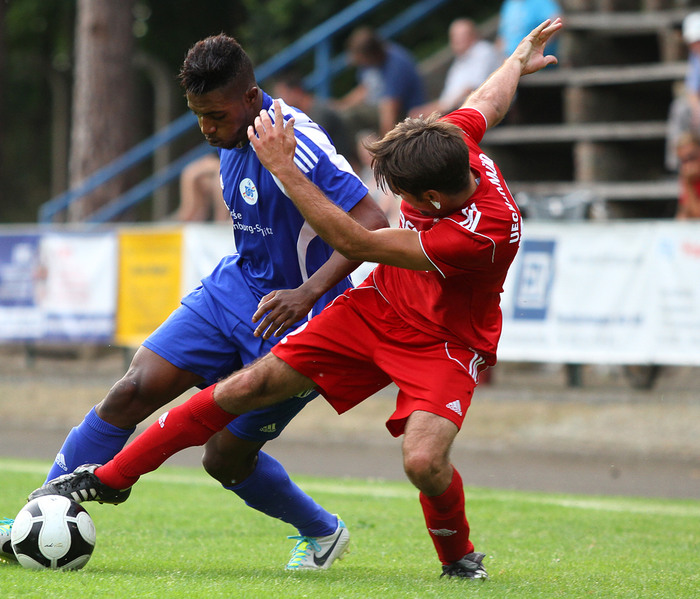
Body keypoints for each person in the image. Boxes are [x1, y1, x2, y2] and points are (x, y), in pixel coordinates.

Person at [29, 19, 564, 580]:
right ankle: (109, 480)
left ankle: (456, 558)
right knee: (240, 386)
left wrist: (284, 169)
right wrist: (516, 61)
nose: (393, 198)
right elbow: (485, 102)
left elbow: (358, 238)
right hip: (375, 308)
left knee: (424, 462)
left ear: (429, 198)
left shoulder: (481, 236)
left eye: (401, 195)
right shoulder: (451, 147)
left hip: (445, 341)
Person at [0, 34, 388, 571]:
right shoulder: (231, 139)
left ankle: (322, 531)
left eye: (214, 114)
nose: (206, 128)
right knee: (130, 391)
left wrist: (307, 292)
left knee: (224, 459)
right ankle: (34, 516)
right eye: (197, 115)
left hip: (306, 317)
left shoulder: (297, 141)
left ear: (251, 97)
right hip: (234, 290)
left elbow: (373, 224)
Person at [334, 27, 427, 137]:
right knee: (338, 115)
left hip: (407, 116)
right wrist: (339, 106)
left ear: (370, 55)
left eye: (360, 58)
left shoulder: (396, 65)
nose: (357, 62)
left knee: (347, 117)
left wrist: (383, 147)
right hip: (379, 109)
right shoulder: (370, 64)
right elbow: (364, 89)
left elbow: (390, 110)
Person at [414, 18, 502, 117]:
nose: (457, 41)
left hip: (480, 111)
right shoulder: (460, 60)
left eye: (462, 36)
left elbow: (472, 88)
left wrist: (438, 109)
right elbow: (447, 98)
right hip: (460, 110)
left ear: (473, 35)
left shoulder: (483, 51)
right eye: (454, 37)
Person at [272, 71, 355, 167]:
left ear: (296, 92)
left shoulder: (320, 113)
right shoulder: (306, 114)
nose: (279, 102)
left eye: (282, 94)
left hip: (345, 168)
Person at [665, 12, 700, 172]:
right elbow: (692, 89)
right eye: (692, 43)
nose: (695, 46)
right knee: (679, 109)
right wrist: (697, 109)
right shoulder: (695, 57)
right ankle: (678, 164)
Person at [175, 152, 230, 222]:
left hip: (231, 165)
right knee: (190, 173)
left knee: (220, 176)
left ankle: (222, 220)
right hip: (221, 160)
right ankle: (190, 212)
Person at [674, 131, 700, 219]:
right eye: (683, 161)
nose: (688, 165)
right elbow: (683, 215)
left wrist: (688, 184)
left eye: (692, 157)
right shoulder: (690, 178)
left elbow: (697, 214)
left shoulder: (688, 180)